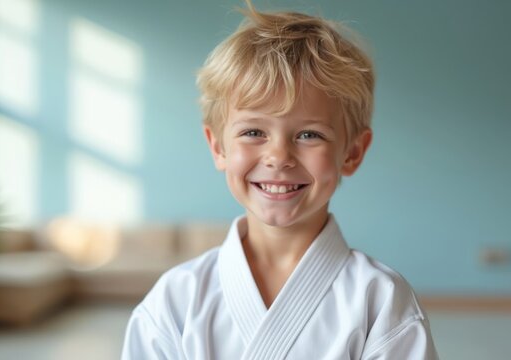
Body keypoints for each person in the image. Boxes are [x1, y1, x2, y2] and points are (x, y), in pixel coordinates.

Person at [122, 1, 438, 359]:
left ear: (352, 152)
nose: (278, 157)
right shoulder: (175, 300)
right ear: (217, 146)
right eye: (254, 131)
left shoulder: (380, 300)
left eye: (309, 135)